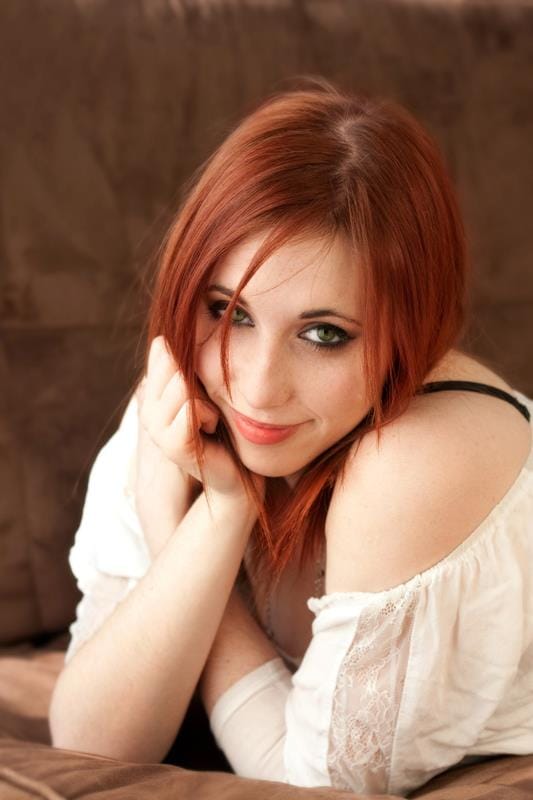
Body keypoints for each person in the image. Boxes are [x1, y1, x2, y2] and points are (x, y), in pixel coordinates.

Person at [48, 76, 533, 797]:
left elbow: (314, 788)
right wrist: (224, 514)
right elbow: (92, 744)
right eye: (230, 311)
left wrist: (173, 524)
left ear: (410, 329)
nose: (256, 386)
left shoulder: (414, 462)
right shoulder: (194, 389)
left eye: (324, 334)